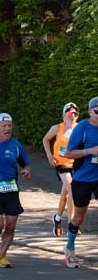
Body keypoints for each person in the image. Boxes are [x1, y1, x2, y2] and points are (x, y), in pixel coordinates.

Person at [0, 113, 31, 268]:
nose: (7, 128)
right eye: (4, 126)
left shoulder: (16, 145)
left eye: (9, 125)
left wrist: (26, 170)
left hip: (11, 187)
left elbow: (25, 163)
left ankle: (2, 256)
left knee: (11, 224)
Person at [60, 96, 98, 268]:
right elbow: (68, 153)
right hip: (83, 178)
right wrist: (90, 151)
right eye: (97, 111)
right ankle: (69, 247)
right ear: (90, 112)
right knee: (79, 217)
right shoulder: (82, 128)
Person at [43, 102, 79, 237]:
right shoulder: (57, 128)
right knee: (72, 189)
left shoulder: (79, 128)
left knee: (65, 195)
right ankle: (71, 223)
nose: (72, 116)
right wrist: (49, 155)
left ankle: (57, 218)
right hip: (61, 164)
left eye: (75, 113)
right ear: (64, 115)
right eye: (70, 113)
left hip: (75, 165)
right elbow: (45, 140)